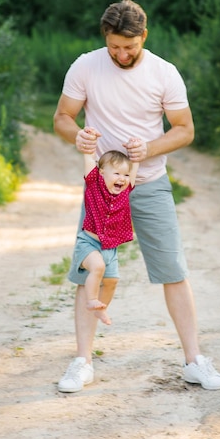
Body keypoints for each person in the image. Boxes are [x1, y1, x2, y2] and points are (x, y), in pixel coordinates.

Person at [54, 0, 220, 393]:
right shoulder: (85, 65)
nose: (121, 54)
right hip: (101, 190)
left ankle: (195, 361)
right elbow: (63, 117)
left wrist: (149, 149)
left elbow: (185, 129)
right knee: (91, 269)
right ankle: (81, 362)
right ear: (106, 38)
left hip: (150, 185)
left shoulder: (164, 74)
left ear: (144, 37)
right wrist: (76, 135)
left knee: (174, 270)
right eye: (114, 46)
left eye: (129, 47)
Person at [67, 125, 139, 328]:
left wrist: (136, 154)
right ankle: (91, 300)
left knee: (112, 280)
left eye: (125, 176)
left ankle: (101, 308)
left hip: (110, 248)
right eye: (117, 173)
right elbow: (89, 158)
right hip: (89, 243)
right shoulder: (93, 184)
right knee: (97, 267)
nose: (122, 179)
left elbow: (134, 168)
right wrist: (91, 142)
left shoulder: (125, 190)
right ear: (101, 173)